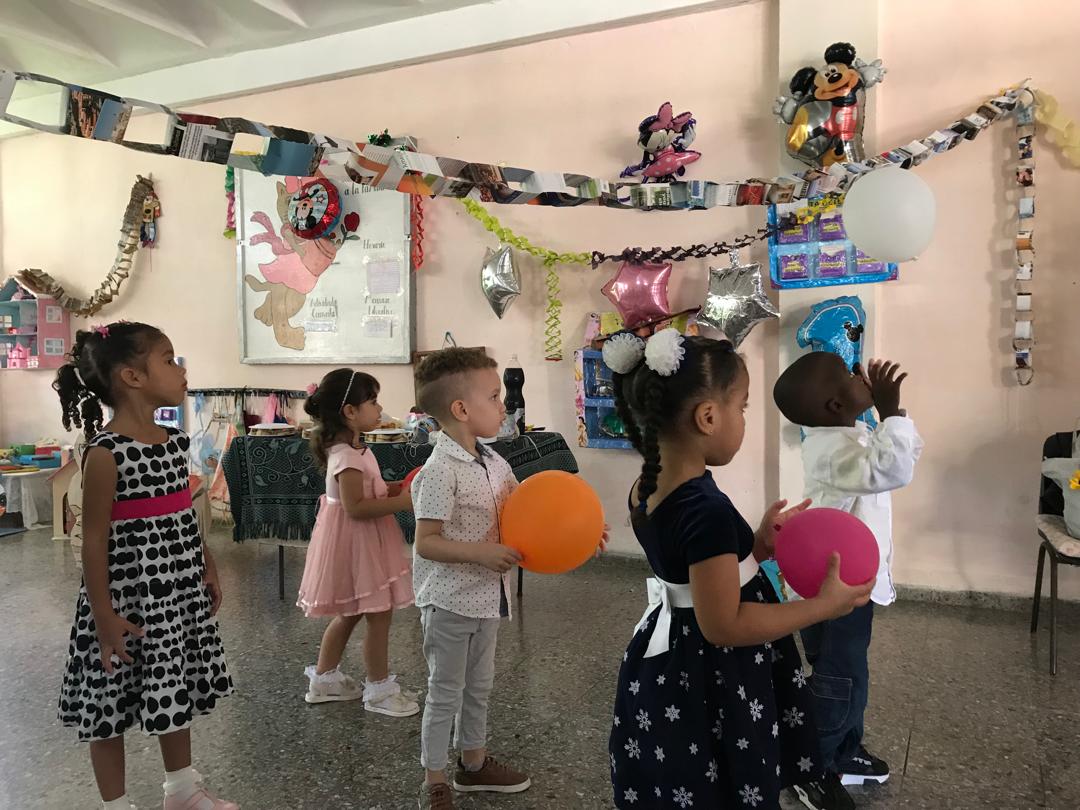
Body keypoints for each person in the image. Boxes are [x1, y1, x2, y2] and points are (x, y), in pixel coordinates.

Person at [605, 330, 873, 810]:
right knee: (725, 777)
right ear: (708, 417)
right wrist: (821, 607)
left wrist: (758, 544)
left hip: (671, 653)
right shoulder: (702, 507)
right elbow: (725, 623)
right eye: (742, 407)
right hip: (713, 670)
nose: (744, 419)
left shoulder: (649, 486)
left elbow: (690, 566)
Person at [54, 322, 236, 810]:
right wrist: (104, 617)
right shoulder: (106, 453)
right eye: (169, 359)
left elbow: (184, 513)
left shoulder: (174, 441)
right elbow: (93, 540)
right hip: (125, 600)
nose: (181, 370)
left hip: (174, 594)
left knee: (173, 684)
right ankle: (115, 805)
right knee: (108, 702)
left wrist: (207, 563)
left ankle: (182, 790)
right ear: (132, 376)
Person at [773, 352, 923, 804]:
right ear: (835, 405)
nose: (860, 373)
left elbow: (905, 457)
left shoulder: (847, 434)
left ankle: (844, 751)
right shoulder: (830, 450)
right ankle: (813, 767)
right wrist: (890, 412)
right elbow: (891, 468)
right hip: (833, 591)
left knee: (849, 675)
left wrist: (892, 417)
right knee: (838, 682)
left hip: (847, 586)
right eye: (848, 374)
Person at [410, 348, 532, 810]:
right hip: (449, 602)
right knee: (445, 692)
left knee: (479, 687)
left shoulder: (495, 462)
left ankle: (474, 763)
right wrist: (480, 553)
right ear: (461, 409)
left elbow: (529, 509)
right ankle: (435, 779)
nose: (504, 405)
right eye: (494, 396)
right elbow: (427, 542)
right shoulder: (440, 470)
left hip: (488, 600)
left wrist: (578, 528)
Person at [297, 369, 419, 716]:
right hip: (357, 542)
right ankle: (379, 690)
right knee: (378, 616)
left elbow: (369, 491)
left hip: (361, 541)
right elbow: (356, 507)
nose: (379, 408)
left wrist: (395, 488)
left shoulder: (355, 449)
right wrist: (403, 503)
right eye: (373, 401)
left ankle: (324, 681)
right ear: (350, 411)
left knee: (350, 613)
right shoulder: (347, 457)